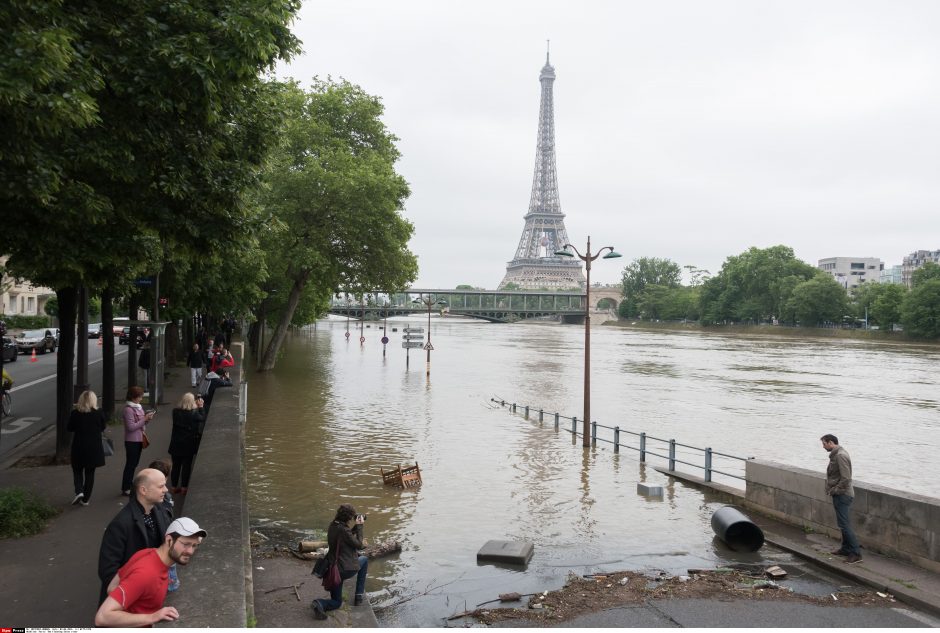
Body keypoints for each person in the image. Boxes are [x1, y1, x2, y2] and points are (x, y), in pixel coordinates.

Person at [94, 517, 207, 627]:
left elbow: (111, 588)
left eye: (195, 546)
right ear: (169, 540)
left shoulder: (146, 553)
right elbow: (102, 617)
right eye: (186, 544)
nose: (190, 551)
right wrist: (152, 617)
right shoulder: (146, 574)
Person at [98, 468, 173, 605]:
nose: (166, 490)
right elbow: (107, 571)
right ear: (143, 490)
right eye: (161, 486)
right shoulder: (120, 524)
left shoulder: (160, 511)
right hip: (131, 599)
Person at [311, 504, 369, 620]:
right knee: (364, 559)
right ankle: (358, 596)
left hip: (332, 569)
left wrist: (355, 527)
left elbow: (346, 535)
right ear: (349, 517)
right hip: (344, 570)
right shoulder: (343, 530)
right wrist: (360, 526)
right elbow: (359, 545)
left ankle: (320, 603)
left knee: (337, 602)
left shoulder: (333, 525)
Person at [821, 434, 862, 564]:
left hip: (843, 495)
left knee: (844, 525)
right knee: (842, 524)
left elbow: (846, 478)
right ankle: (845, 549)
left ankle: (856, 553)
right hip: (840, 494)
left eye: (824, 443)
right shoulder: (837, 454)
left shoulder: (840, 456)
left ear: (831, 442)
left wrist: (835, 490)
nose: (823, 446)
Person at [67, 390, 108, 506]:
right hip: (94, 448)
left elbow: (69, 428)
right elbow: (103, 427)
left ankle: (79, 491)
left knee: (77, 470)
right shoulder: (99, 412)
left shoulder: (75, 413)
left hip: (78, 446)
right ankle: (86, 499)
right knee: (90, 473)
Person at [147, 459, 179, 592]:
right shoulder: (161, 499)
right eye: (162, 486)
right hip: (164, 538)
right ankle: (170, 584)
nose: (165, 489)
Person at [168, 393, 206, 495]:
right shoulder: (194, 414)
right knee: (186, 466)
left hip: (176, 444)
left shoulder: (175, 412)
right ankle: (184, 487)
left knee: (176, 466)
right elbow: (202, 418)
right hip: (188, 444)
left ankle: (174, 487)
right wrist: (201, 407)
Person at [121, 386, 155, 496]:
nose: (141, 399)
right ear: (133, 397)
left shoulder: (139, 407)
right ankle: (126, 487)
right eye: (139, 397)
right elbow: (130, 427)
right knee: (130, 464)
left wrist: (147, 420)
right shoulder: (128, 410)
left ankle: (129, 484)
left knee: (134, 463)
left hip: (139, 438)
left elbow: (141, 424)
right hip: (131, 440)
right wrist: (144, 419)